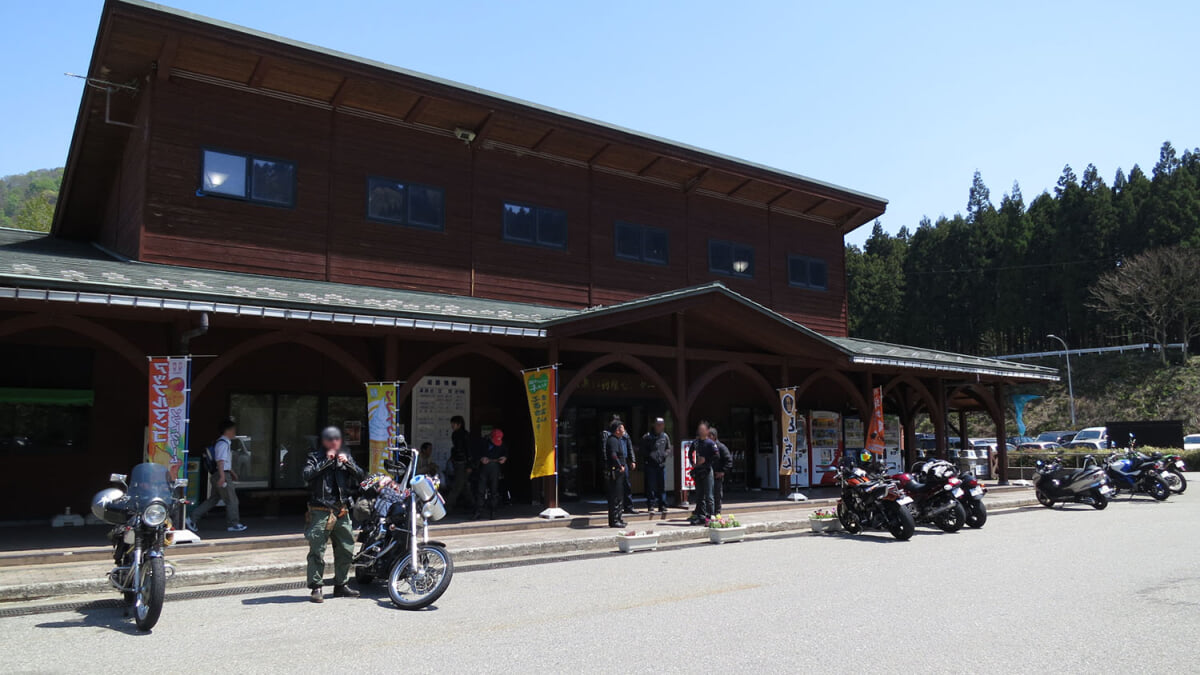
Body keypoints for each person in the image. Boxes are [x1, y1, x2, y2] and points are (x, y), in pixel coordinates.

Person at [303, 426, 365, 603]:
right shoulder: (314, 457)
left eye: (337, 439)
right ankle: (316, 587)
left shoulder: (346, 456)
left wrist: (349, 463)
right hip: (320, 510)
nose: (334, 442)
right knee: (317, 550)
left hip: (341, 510)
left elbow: (362, 476)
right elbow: (306, 475)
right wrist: (325, 463)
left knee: (346, 548)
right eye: (330, 439)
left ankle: (341, 585)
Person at [188, 418, 247, 532]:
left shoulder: (222, 443)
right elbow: (220, 460)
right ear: (228, 430)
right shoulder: (223, 443)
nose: (235, 432)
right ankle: (233, 523)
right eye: (234, 430)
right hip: (221, 475)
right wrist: (223, 476)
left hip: (219, 474)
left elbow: (224, 462)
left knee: (213, 499)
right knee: (232, 500)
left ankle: (192, 518)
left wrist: (231, 472)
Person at [474, 428, 507, 519]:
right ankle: (479, 511)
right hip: (484, 467)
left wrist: (504, 458)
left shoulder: (502, 444)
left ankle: (493, 511)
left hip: (495, 467)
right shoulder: (483, 442)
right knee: (481, 490)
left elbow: (505, 453)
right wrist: (481, 458)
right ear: (491, 437)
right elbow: (475, 453)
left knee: (494, 490)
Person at [640, 417, 671, 513]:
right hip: (650, 465)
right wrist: (650, 455)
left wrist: (665, 455)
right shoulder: (647, 437)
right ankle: (651, 506)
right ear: (654, 425)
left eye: (662, 425)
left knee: (662, 486)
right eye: (658, 424)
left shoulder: (665, 436)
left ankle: (663, 505)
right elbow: (642, 450)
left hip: (661, 464)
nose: (660, 427)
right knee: (651, 486)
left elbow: (668, 448)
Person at [689, 420, 717, 525]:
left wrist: (706, 460)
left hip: (707, 470)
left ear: (707, 431)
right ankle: (700, 516)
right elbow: (689, 452)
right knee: (699, 495)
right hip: (698, 470)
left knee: (709, 495)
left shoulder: (710, 443)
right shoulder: (695, 442)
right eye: (699, 429)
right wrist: (693, 463)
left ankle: (710, 517)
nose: (700, 431)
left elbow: (716, 456)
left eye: (702, 429)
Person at [605, 422, 632, 528]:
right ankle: (614, 520)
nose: (624, 431)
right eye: (622, 429)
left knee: (620, 496)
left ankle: (619, 518)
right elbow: (613, 455)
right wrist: (620, 465)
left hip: (619, 472)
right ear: (617, 430)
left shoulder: (618, 440)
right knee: (615, 497)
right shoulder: (612, 440)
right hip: (615, 471)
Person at [446, 415, 473, 511]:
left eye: (453, 424)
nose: (452, 425)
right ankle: (473, 505)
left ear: (459, 424)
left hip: (463, 463)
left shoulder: (464, 435)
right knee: (464, 485)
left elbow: (468, 450)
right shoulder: (455, 434)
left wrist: (470, 464)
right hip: (458, 462)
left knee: (458, 485)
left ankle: (447, 506)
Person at [710, 426, 733, 515]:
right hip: (707, 475)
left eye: (709, 436)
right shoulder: (708, 446)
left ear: (713, 436)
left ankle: (717, 513)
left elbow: (729, 461)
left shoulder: (721, 447)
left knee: (717, 495)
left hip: (717, 475)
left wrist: (723, 472)